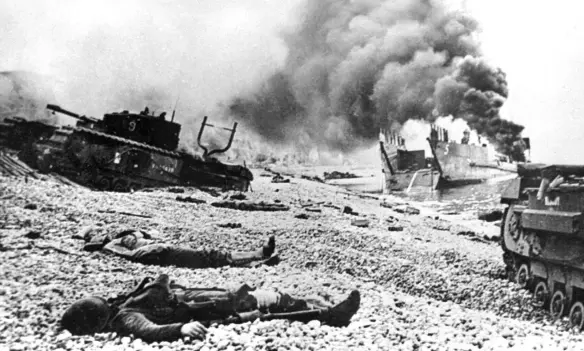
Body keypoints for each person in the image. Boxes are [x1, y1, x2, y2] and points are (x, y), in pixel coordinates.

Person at [61, 274, 361, 342]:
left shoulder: (122, 309)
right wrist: (181, 329)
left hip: (196, 303)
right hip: (201, 313)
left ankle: (319, 308)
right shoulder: (127, 318)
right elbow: (150, 331)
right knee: (262, 307)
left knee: (262, 300)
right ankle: (330, 316)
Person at [82, 228, 278, 268]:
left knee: (205, 257)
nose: (103, 230)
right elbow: (134, 239)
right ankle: (257, 255)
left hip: (156, 252)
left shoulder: (110, 245)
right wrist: (135, 234)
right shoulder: (112, 243)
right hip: (159, 252)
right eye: (98, 231)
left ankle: (252, 261)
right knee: (206, 255)